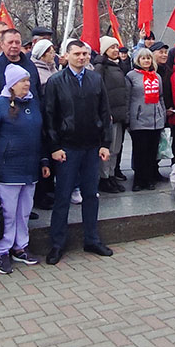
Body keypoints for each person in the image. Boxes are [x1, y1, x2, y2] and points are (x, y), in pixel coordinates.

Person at [42, 39, 114, 265]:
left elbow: (105, 112)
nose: (82, 57)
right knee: (63, 196)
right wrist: (54, 147)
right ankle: (57, 243)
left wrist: (105, 143)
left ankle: (91, 239)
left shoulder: (95, 79)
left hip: (92, 148)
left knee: (91, 195)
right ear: (66, 55)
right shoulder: (56, 81)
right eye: (77, 54)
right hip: (67, 149)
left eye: (85, 54)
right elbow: (50, 117)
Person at [0, 64, 45, 274]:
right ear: (11, 84)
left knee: (24, 211)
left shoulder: (33, 104)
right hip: (8, 170)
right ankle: (2, 251)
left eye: (28, 81)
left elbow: (40, 133)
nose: (27, 84)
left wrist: (43, 160)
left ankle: (21, 246)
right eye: (22, 81)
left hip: (30, 168)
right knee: (8, 213)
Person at [126, 47, 167, 190]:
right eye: (143, 58)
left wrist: (162, 114)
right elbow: (128, 98)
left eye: (148, 58)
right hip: (139, 120)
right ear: (138, 60)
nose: (146, 61)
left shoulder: (157, 76)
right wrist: (128, 119)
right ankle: (138, 180)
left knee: (151, 152)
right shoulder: (131, 76)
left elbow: (161, 97)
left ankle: (149, 179)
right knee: (139, 152)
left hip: (155, 120)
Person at [95, 37, 131, 191]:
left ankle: (111, 175)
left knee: (115, 148)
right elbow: (98, 92)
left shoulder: (117, 65)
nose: (116, 50)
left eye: (117, 47)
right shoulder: (100, 67)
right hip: (108, 115)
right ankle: (103, 178)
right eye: (112, 47)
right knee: (107, 148)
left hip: (119, 114)